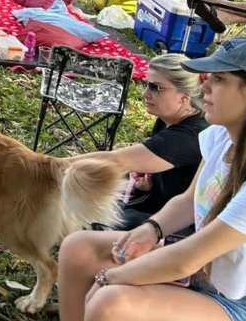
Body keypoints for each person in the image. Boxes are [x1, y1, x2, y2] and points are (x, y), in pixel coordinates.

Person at [56, 38, 246, 321]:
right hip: (203, 273)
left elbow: (186, 260)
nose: (204, 86)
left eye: (219, 79)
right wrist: (153, 228)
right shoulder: (223, 136)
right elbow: (188, 200)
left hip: (245, 305)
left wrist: (107, 278)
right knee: (78, 248)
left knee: (111, 302)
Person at [77, 54, 208, 229]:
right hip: (158, 207)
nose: (145, 94)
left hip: (177, 226)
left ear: (185, 96)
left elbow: (116, 160)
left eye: (156, 88)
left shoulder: (189, 135)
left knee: (92, 215)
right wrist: (148, 186)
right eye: (146, 85)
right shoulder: (168, 118)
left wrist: (49, 165)